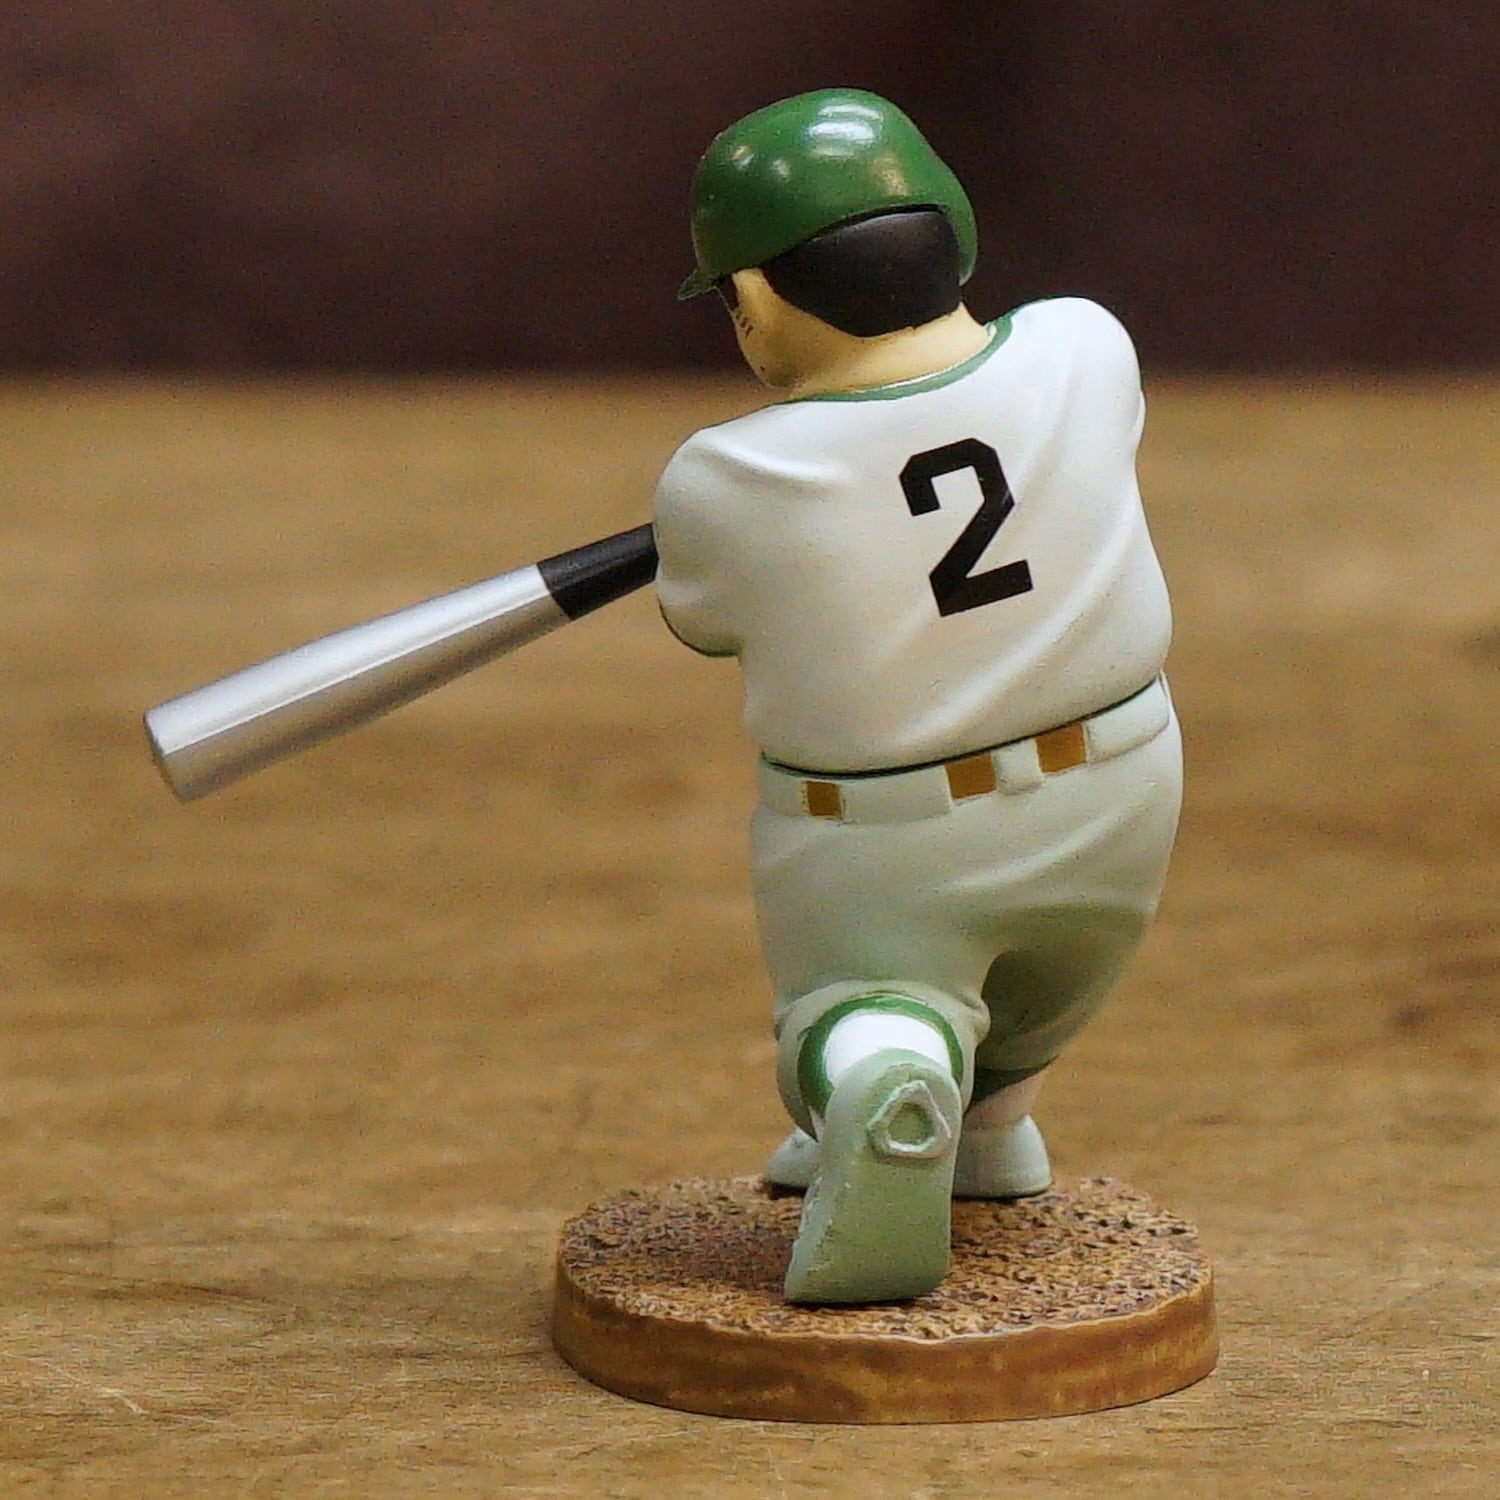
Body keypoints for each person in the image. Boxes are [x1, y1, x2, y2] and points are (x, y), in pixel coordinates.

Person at [653, 89, 1181, 1304]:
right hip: (1124, 784)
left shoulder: (730, 473)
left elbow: (704, 619)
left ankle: (882, 1074)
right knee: (1036, 1011)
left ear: (761, 298)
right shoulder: (1085, 346)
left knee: (863, 1003)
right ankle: (989, 1137)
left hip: (893, 844)